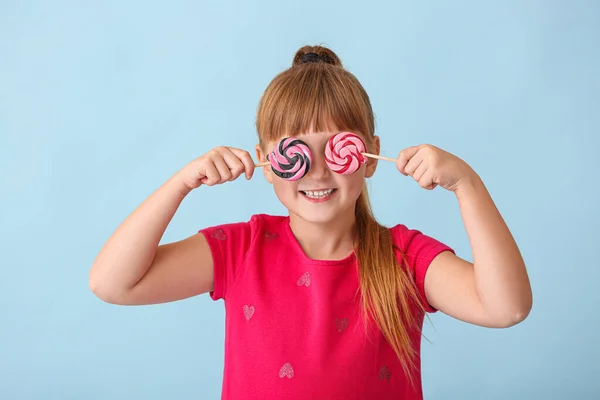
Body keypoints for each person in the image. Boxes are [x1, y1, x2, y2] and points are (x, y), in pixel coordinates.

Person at [89, 45, 532, 399]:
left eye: (338, 148)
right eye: (295, 152)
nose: (318, 171)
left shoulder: (405, 258)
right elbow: (113, 284)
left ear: (371, 155)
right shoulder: (239, 249)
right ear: (266, 160)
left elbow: (505, 307)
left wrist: (467, 186)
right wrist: (180, 184)